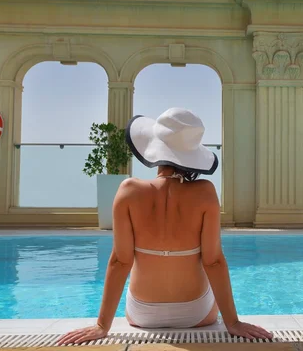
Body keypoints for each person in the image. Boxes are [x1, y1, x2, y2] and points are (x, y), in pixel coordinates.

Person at [58, 107, 272, 345]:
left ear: (153, 145)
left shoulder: (128, 191)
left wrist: (102, 325)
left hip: (142, 314)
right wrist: (233, 323)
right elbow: (213, 261)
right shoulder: (205, 193)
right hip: (197, 313)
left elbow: (120, 261)